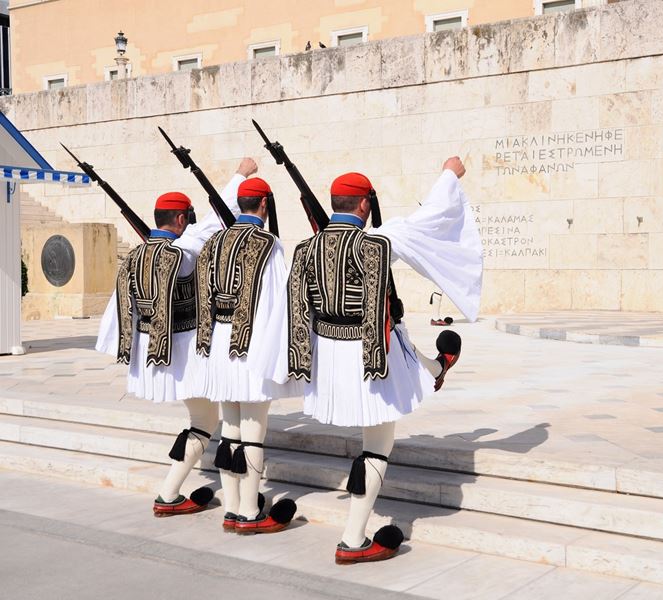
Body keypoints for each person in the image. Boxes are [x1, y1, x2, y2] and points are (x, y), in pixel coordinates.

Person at [287, 156, 482, 563]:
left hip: (327, 357)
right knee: (376, 447)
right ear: (363, 205)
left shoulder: (306, 248)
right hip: (369, 356)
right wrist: (448, 174)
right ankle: (353, 540)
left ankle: (435, 369)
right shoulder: (378, 243)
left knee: (373, 438)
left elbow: (297, 307)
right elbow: (427, 219)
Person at [96, 158, 257, 516]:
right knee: (210, 424)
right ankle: (190, 497)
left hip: (155, 355)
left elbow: (117, 315)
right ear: (182, 220)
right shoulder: (184, 249)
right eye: (190, 218)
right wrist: (240, 175)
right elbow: (221, 213)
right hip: (190, 356)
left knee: (202, 421)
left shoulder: (135, 257)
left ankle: (173, 494)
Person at [195, 176, 298, 534]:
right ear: (265, 206)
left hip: (219, 346)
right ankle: (250, 512)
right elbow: (275, 304)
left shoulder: (214, 242)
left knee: (231, 430)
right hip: (251, 345)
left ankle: (233, 505)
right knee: (253, 432)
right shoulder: (268, 244)